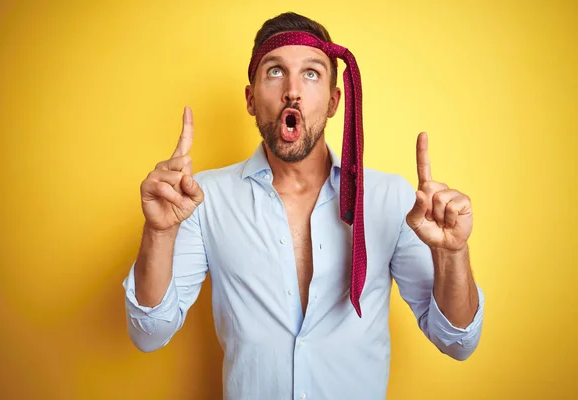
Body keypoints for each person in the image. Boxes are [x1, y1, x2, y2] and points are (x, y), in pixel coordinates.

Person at [122, 11, 484, 400]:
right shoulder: (201, 199)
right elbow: (149, 334)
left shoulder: (392, 199)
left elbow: (457, 342)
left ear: (333, 101)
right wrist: (158, 233)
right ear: (250, 98)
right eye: (275, 72)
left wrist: (453, 255)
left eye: (311, 73)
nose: (292, 90)